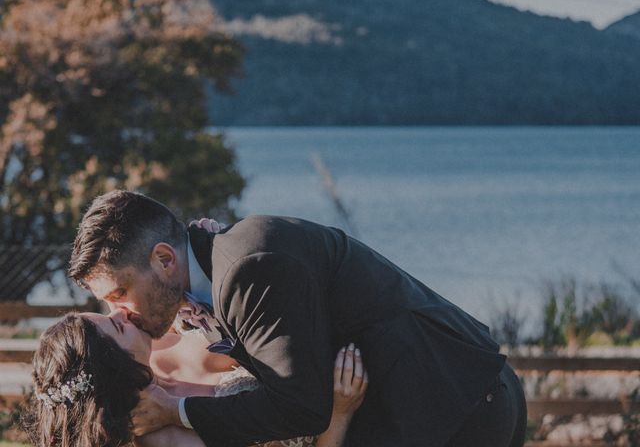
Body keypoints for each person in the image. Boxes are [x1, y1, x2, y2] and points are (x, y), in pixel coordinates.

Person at [69, 190, 527, 446]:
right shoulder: (213, 276)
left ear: (165, 260)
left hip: (455, 404)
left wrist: (179, 410)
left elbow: (301, 406)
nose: (119, 311)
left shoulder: (249, 267)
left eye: (121, 292)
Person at [25, 310, 368, 447]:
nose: (121, 312)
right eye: (116, 325)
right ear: (115, 366)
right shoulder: (164, 439)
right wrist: (339, 415)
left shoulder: (163, 339)